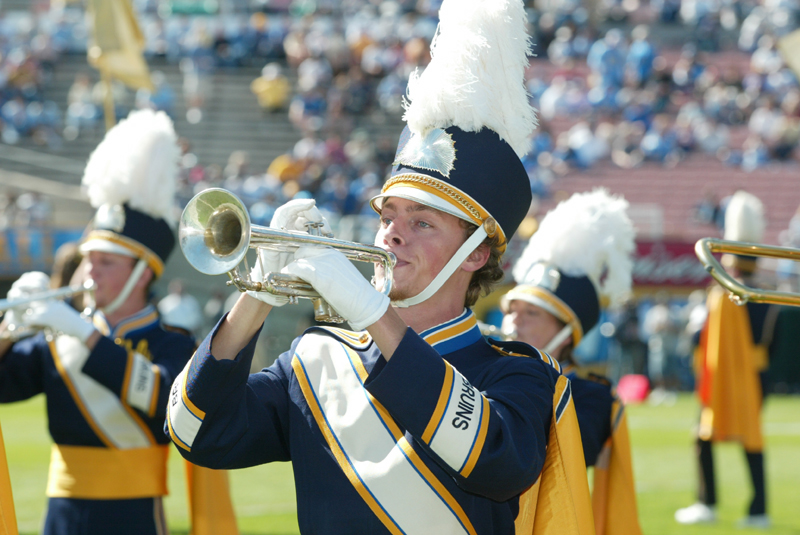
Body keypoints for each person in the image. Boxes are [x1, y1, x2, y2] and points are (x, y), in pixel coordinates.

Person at [167, 1, 594, 533]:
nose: (393, 232)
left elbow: (495, 461)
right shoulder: (317, 359)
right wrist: (259, 290)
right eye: (389, 216)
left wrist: (371, 312)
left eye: (423, 223)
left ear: (477, 254)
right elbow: (196, 432)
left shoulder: (521, 372)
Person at [0, 109, 236, 535]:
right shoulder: (59, 335)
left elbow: (163, 402)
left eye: (106, 262)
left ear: (143, 274)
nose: (90, 272)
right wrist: (9, 329)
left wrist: (82, 333)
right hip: (62, 517)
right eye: (89, 259)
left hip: (135, 517)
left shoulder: (174, 343)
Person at [500, 189, 643, 535]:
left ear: (567, 333)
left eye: (531, 313)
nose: (513, 322)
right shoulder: (482, 368)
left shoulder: (592, 398)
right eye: (512, 310)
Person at [675, 190, 777, 528]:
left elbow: (698, 339)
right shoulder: (768, 292)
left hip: (726, 374)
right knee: (750, 438)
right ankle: (758, 508)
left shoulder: (724, 291)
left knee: (705, 433)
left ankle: (709, 502)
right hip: (757, 372)